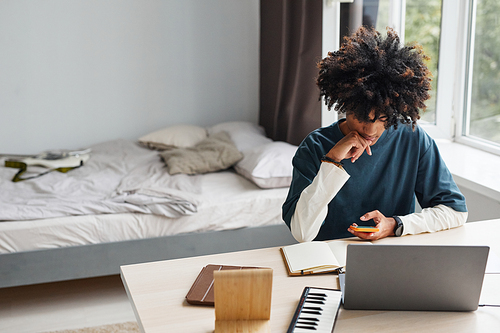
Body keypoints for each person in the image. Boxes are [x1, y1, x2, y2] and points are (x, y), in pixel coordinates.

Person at [282, 26, 467, 242]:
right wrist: (331, 162)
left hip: (391, 257)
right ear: (344, 104)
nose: (370, 131)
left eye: (382, 119)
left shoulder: (413, 139)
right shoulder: (315, 146)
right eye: (361, 117)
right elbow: (302, 233)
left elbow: (455, 212)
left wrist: (396, 225)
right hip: (328, 261)